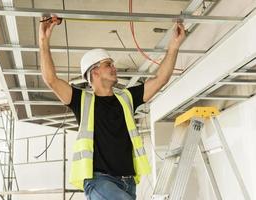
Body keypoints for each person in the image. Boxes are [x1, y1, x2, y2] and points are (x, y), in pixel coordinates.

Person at [39, 15, 185, 200]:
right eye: (108, 64)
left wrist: (174, 46)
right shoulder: (81, 100)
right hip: (99, 181)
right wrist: (43, 40)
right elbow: (51, 80)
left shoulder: (127, 98)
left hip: (128, 183)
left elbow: (160, 79)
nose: (114, 68)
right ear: (95, 71)